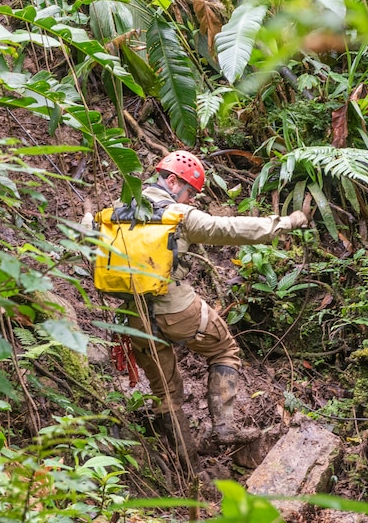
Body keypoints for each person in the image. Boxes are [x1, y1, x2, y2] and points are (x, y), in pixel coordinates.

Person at [83, 150, 309, 470]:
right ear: (172, 181)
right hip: (178, 309)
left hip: (135, 318)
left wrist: (86, 219)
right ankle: (224, 427)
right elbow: (229, 229)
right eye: (190, 192)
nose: (190, 200)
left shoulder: (112, 214)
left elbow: (86, 243)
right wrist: (284, 223)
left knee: (165, 393)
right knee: (225, 350)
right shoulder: (179, 215)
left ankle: (189, 471)